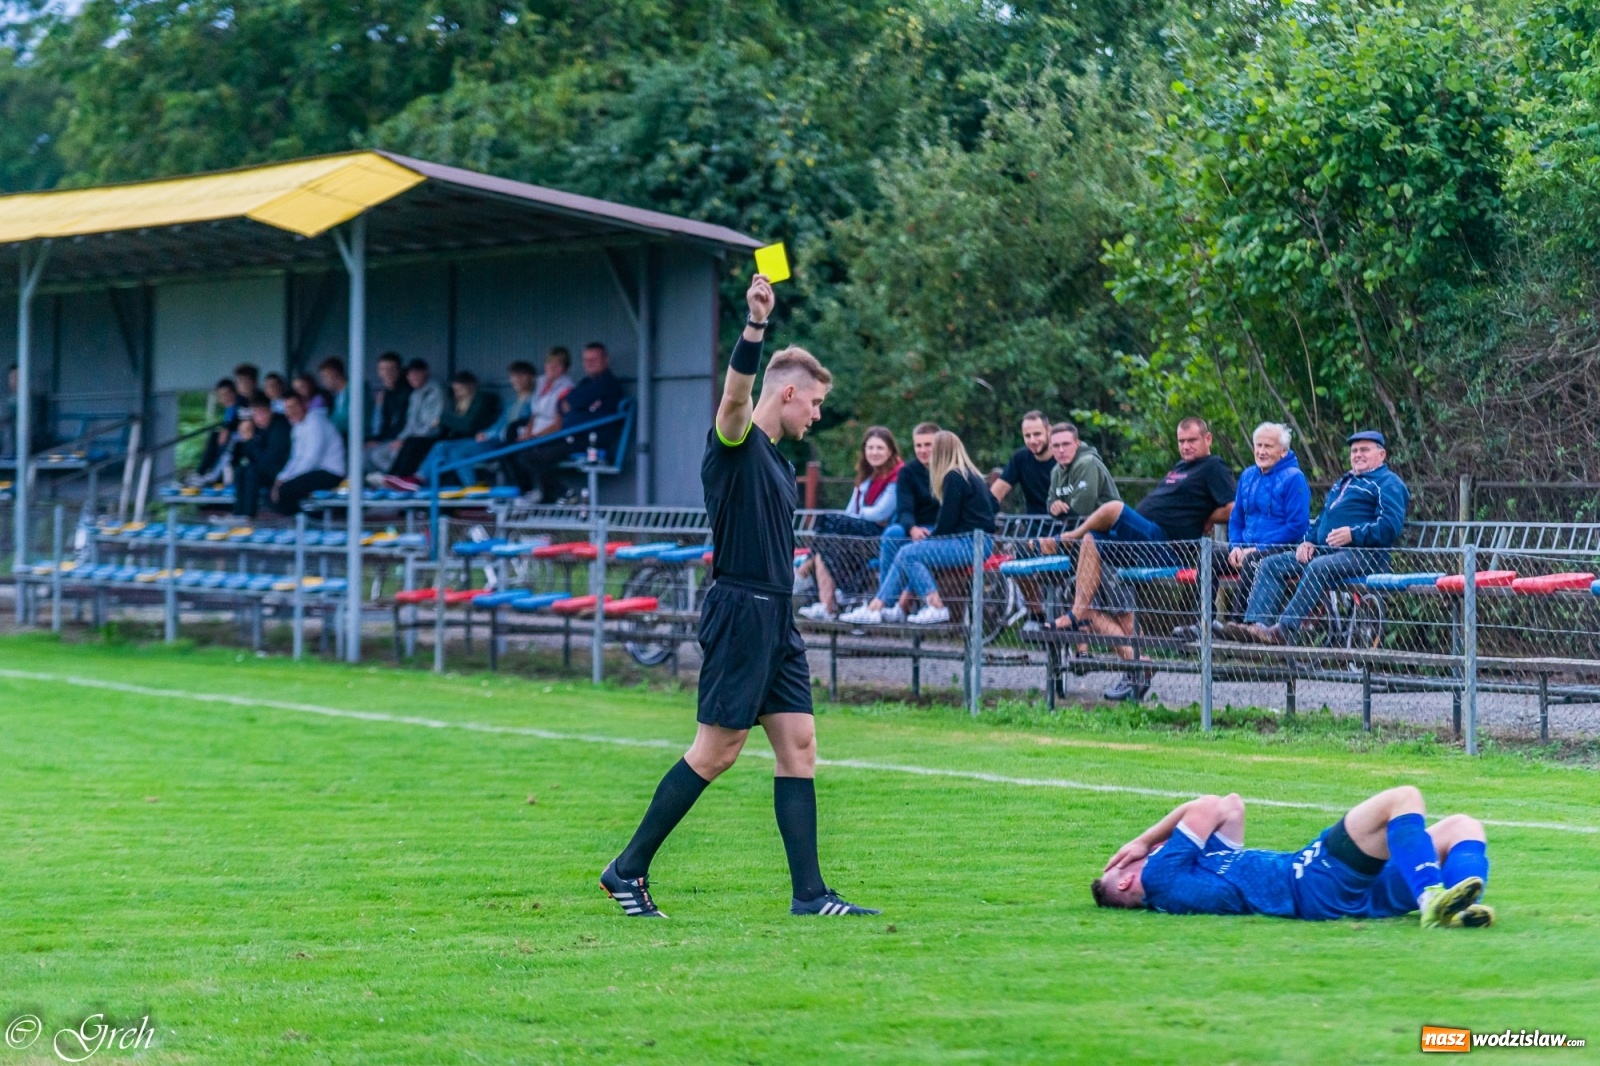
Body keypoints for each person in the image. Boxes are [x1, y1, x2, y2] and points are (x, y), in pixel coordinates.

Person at [599, 273, 878, 920]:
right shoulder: (736, 445)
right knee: (716, 751)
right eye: (814, 406)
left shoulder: (777, 461)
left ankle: (809, 895)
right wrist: (755, 324)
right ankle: (626, 870)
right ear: (788, 393)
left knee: (799, 745)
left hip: (777, 617)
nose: (817, 416)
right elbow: (733, 397)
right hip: (740, 612)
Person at [1091, 786, 1494, 928]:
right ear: (1127, 880)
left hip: (1337, 895)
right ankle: (1430, 900)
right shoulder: (1160, 878)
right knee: (1403, 798)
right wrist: (1144, 842)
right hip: (1314, 878)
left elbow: (1231, 805)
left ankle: (1453, 912)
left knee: (1462, 826)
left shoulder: (1196, 872)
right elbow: (1208, 807)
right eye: (1127, 863)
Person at [1052, 418, 1237, 700]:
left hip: (1164, 546)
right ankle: (1082, 612)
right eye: (1181, 441)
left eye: (1192, 440)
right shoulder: (1180, 468)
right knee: (1093, 542)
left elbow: (1233, 507)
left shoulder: (1213, 467)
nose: (1185, 446)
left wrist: (1207, 517)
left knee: (1113, 508)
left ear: (1207, 439)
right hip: (1140, 545)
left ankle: (1069, 538)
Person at [1220, 430, 1409, 645]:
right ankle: (1256, 627)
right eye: (1354, 450)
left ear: (1381, 455)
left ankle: (1283, 629)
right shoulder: (1345, 481)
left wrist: (1353, 534)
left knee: (1319, 567)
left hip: (1363, 554)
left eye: (1364, 450)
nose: (1357, 455)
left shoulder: (1387, 483)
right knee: (1271, 564)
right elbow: (1323, 518)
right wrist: (1308, 540)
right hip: (1326, 551)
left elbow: (1390, 526)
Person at [840, 430, 996, 626]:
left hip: (972, 544)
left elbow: (947, 522)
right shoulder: (966, 473)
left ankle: (932, 607)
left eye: (933, 448)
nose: (927, 453)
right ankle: (881, 607)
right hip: (970, 541)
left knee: (911, 553)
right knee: (909, 552)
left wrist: (929, 540)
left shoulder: (954, 477)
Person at [1174, 422, 1310, 639]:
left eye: (1269, 446)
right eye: (1258, 445)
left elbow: (1297, 526)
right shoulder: (1247, 476)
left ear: (1283, 451)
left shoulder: (1294, 478)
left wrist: (1256, 548)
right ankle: (1204, 622)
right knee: (1208, 555)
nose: (1262, 451)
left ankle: (1238, 624)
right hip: (1245, 546)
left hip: (1281, 548)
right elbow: (1236, 519)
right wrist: (1236, 546)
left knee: (1253, 559)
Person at [797, 426, 903, 621]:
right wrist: (855, 515)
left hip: (880, 534)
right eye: (870, 448)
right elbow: (850, 511)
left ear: (890, 451)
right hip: (861, 532)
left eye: (880, 448)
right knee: (827, 541)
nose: (874, 453)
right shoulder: (867, 477)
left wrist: (857, 515)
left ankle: (808, 562)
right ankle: (827, 607)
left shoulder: (897, 476)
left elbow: (882, 512)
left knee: (829, 520)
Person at [512, 342, 622, 504]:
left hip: (589, 439)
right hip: (571, 435)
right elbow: (563, 404)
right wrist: (577, 405)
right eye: (586, 360)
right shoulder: (585, 383)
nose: (590, 363)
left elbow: (574, 402)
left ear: (606, 360)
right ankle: (546, 495)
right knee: (525, 451)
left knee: (532, 455)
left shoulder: (608, 382)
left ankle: (563, 494)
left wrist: (575, 406)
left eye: (595, 359)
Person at [413, 360, 539, 489]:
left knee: (457, 453)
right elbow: (500, 424)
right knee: (441, 447)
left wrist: (490, 435)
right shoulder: (512, 403)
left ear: (531, 377)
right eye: (513, 376)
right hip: (494, 440)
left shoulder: (534, 401)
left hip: (508, 443)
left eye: (520, 376)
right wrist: (486, 433)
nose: (516, 380)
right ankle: (418, 480)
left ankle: (473, 488)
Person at [870, 422, 942, 616]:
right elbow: (904, 508)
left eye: (928, 445)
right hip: (914, 525)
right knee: (893, 533)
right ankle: (887, 600)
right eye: (918, 445)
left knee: (916, 548)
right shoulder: (908, 472)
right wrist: (912, 529)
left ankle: (893, 604)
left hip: (941, 527)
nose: (923, 450)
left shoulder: (948, 470)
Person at [366, 358, 444, 482]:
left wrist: (405, 440)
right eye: (410, 375)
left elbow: (431, 425)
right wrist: (400, 438)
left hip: (431, 437)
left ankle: (399, 479)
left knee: (410, 444)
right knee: (377, 454)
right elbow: (410, 423)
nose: (412, 377)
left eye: (416, 374)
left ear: (425, 372)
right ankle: (388, 480)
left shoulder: (434, 391)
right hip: (413, 438)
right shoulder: (414, 394)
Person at [270, 392, 346, 515]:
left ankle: (305, 523)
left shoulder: (316, 421)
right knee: (274, 490)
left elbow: (312, 459)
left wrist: (287, 480)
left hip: (331, 473)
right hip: (312, 471)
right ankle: (301, 521)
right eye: (288, 408)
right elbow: (296, 458)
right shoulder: (297, 427)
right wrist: (281, 478)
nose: (291, 411)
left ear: (304, 405)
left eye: (294, 406)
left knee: (286, 491)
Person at [1043, 422, 1118, 524]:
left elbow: (1082, 510)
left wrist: (1061, 512)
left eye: (1066, 444)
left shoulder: (1087, 463)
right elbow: (1050, 502)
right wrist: (1054, 506)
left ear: (1077, 443)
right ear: (1051, 448)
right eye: (1056, 446)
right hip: (1081, 529)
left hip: (1111, 528)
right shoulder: (1056, 470)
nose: (1061, 450)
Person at [230, 395, 291, 518]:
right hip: (264, 469)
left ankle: (248, 516)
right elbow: (238, 458)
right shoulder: (256, 428)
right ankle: (237, 515)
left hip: (281, 472)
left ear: (270, 411)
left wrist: (250, 440)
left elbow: (269, 461)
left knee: (252, 471)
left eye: (262, 413)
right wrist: (243, 439)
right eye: (256, 414)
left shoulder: (279, 427)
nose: (259, 418)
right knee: (241, 470)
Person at [991, 410, 1056, 514]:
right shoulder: (1021, 458)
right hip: (1033, 526)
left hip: (1068, 526)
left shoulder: (1065, 456)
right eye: (1027, 436)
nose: (1032, 440)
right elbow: (995, 494)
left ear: (1049, 431)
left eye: (1037, 434)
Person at [187, 378, 241, 485]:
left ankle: (205, 474)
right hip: (229, 441)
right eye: (221, 395)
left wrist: (227, 430)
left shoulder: (239, 406)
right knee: (215, 437)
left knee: (217, 438)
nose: (225, 398)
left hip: (237, 441)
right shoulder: (228, 409)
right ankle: (203, 473)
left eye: (227, 394)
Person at [364, 352, 411, 455]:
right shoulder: (384, 393)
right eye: (382, 369)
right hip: (386, 439)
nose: (387, 373)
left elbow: (403, 422)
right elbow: (382, 423)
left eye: (391, 369)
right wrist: (376, 439)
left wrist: (381, 441)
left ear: (399, 370)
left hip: (402, 440)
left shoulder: (408, 392)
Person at [317, 358, 349, 438]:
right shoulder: (337, 396)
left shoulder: (355, 390)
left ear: (334, 373)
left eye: (325, 377)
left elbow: (347, 420)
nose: (323, 381)